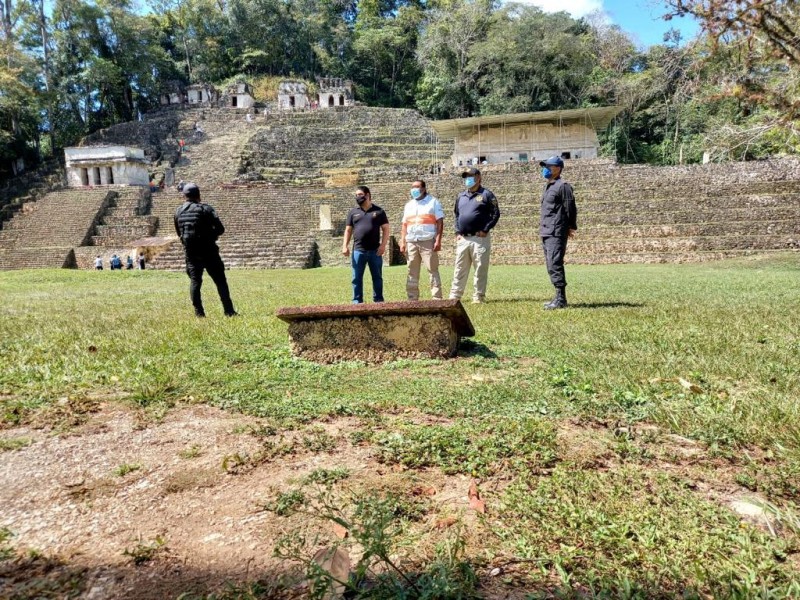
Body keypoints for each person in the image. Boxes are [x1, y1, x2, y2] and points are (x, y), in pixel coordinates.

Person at [174, 182, 238, 317]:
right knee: (220, 280)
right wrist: (210, 236)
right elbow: (220, 229)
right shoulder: (206, 209)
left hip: (191, 252)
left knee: (195, 281)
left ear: (184, 196)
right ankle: (229, 310)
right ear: (199, 195)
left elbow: (179, 232)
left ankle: (199, 313)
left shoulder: (178, 211)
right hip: (209, 251)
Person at [449, 168, 500, 304]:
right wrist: (457, 232)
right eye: (466, 177)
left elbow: (495, 214)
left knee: (480, 268)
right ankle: (455, 296)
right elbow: (457, 215)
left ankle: (478, 296)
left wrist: (485, 229)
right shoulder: (461, 196)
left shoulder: (487, 195)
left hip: (479, 238)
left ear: (478, 177)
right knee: (459, 269)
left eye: (470, 176)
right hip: (463, 239)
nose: (468, 179)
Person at [539, 156, 577, 310]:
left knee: (555, 263)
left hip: (556, 231)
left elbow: (570, 208)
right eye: (545, 166)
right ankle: (558, 296)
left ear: (558, 168)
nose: (545, 168)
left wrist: (570, 226)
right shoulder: (548, 186)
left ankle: (561, 299)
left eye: (549, 166)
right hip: (547, 231)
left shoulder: (563, 186)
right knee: (550, 264)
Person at [341, 186, 390, 304]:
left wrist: (383, 245)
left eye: (360, 194)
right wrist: (344, 245)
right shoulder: (353, 212)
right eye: (356, 195)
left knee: (377, 277)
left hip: (375, 251)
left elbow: (386, 229)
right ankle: (357, 301)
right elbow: (348, 230)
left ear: (367, 195)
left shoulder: (379, 211)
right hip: (358, 250)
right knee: (356, 278)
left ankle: (378, 301)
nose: (357, 197)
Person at [400, 180, 444, 300]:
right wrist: (402, 241)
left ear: (424, 189)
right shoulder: (409, 205)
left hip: (428, 240)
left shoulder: (433, 202)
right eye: (412, 187)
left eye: (417, 187)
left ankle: (436, 297)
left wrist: (438, 240)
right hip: (411, 241)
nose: (414, 189)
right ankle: (412, 298)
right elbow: (404, 224)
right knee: (412, 271)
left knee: (432, 269)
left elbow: (440, 222)